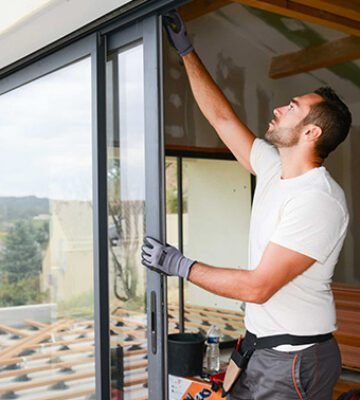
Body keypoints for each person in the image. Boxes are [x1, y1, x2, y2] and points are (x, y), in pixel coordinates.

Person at [141, 10, 353, 400]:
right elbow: (222, 119)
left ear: (311, 132)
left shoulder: (318, 200)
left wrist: (178, 265)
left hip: (294, 358)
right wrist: (187, 52)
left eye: (291, 107)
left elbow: (258, 288)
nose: (278, 109)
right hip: (259, 347)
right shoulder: (274, 169)